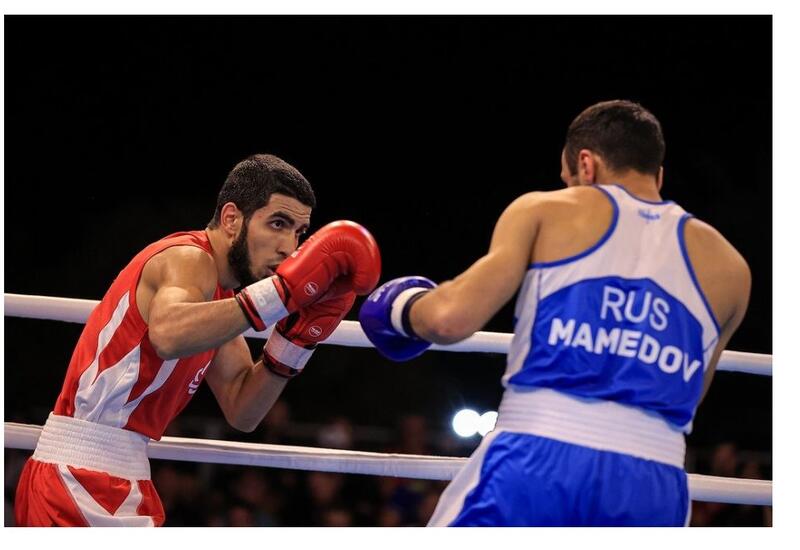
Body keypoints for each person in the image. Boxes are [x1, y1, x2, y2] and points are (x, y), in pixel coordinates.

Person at [359, 100, 751, 526]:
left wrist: (399, 308)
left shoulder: (547, 210)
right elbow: (689, 395)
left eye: (568, 180)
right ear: (658, 176)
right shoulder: (732, 270)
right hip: (655, 484)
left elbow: (448, 319)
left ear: (586, 165)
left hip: (539, 456)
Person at [14, 153, 381, 526]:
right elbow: (169, 334)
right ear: (232, 219)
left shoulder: (221, 299)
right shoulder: (189, 259)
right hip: (78, 476)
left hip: (120, 476)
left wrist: (295, 341)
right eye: (277, 223)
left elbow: (243, 410)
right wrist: (282, 295)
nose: (289, 246)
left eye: (298, 232)